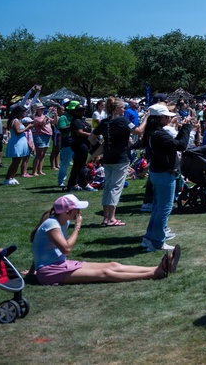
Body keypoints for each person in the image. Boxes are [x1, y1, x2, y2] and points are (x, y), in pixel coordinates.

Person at [31, 194, 178, 285]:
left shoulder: (62, 221)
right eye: (77, 209)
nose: (80, 212)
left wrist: (33, 270)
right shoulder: (52, 224)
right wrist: (78, 226)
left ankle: (158, 268)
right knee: (105, 273)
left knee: (112, 265)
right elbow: (66, 249)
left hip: (60, 265)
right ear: (68, 211)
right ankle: (155, 274)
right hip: (51, 272)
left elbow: (40, 248)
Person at [141, 103, 193, 252]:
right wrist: (187, 128)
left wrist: (184, 128)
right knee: (164, 209)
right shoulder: (159, 135)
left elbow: (175, 144)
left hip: (158, 174)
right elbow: (181, 145)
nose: (169, 119)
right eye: (166, 117)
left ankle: (149, 238)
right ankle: (157, 241)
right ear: (158, 119)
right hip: (164, 174)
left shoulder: (153, 134)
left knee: (158, 208)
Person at [93, 97, 145, 227]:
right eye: (123, 107)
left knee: (108, 187)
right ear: (117, 108)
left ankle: (106, 218)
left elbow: (91, 137)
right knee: (115, 188)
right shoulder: (122, 121)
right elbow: (138, 131)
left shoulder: (104, 122)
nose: (125, 109)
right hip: (120, 159)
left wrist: (101, 148)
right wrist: (146, 120)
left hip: (108, 158)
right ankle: (111, 218)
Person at [65, 104, 94, 192]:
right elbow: (79, 132)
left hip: (84, 145)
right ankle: (83, 184)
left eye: (83, 110)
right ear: (75, 111)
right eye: (80, 110)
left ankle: (73, 184)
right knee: (79, 165)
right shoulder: (76, 121)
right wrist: (92, 135)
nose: (82, 112)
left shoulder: (81, 121)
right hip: (79, 145)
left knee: (78, 165)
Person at [3, 105, 35, 185]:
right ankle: (7, 178)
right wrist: (27, 127)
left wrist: (29, 145)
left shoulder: (18, 120)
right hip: (16, 142)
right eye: (23, 113)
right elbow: (18, 132)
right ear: (18, 113)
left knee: (17, 162)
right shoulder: (15, 121)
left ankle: (12, 177)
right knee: (15, 162)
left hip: (21, 142)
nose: (24, 114)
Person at [31, 103, 56, 176]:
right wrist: (47, 115)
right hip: (40, 136)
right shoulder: (36, 118)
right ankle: (34, 171)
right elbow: (43, 123)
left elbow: (54, 122)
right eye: (41, 109)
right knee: (39, 154)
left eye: (43, 109)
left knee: (43, 155)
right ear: (37, 110)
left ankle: (40, 170)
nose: (42, 110)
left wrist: (55, 114)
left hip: (47, 136)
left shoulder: (45, 116)